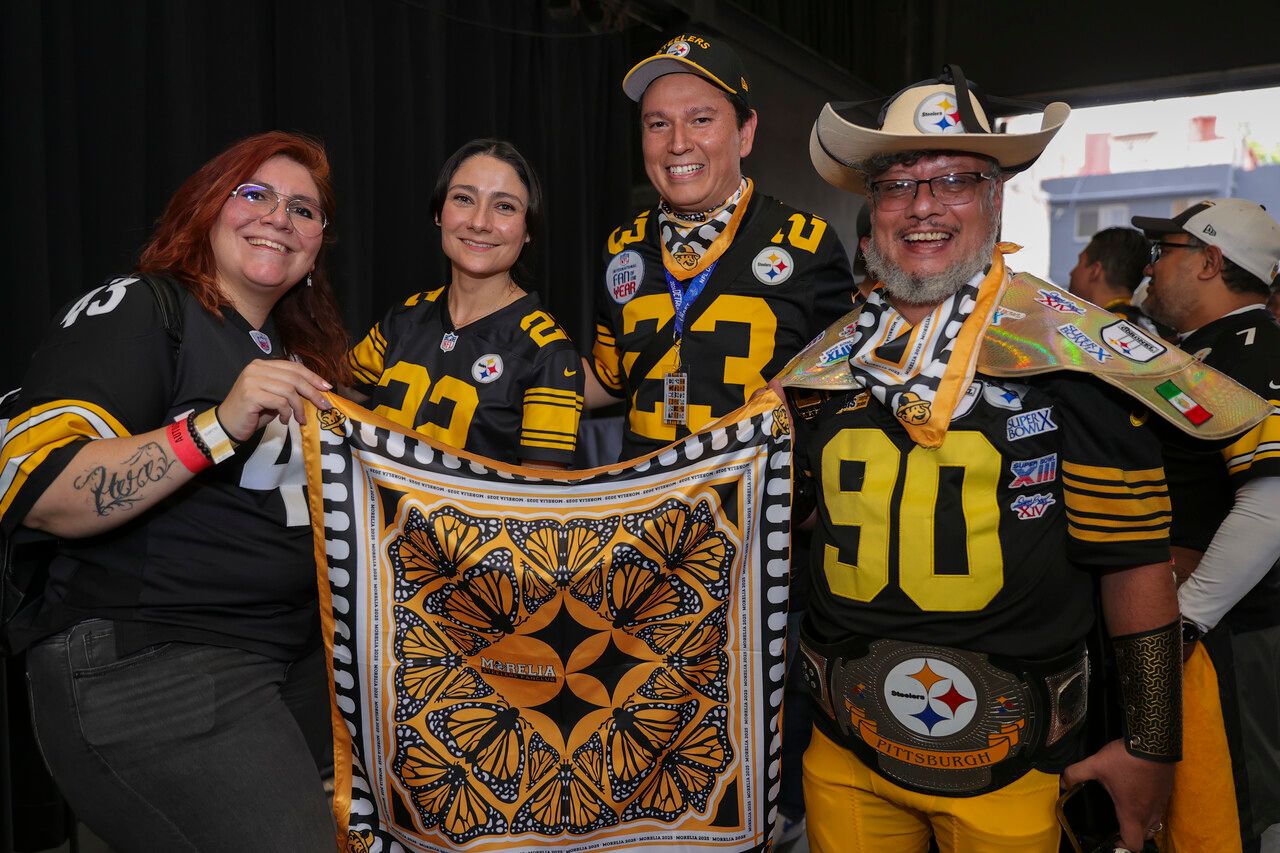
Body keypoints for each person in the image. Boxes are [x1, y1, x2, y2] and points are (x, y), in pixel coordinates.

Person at [794, 66, 1181, 852]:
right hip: (843, 749)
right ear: (871, 212)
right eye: (897, 183)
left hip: (1017, 769)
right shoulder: (818, 365)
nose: (924, 205)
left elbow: (1135, 562)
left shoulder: (1075, 353)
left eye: (955, 181)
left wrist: (1151, 744)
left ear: (996, 197)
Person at [1, 131, 346, 850]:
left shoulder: (296, 359)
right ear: (205, 209)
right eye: (254, 193)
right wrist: (216, 427)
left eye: (304, 210)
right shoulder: (140, 309)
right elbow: (37, 484)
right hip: (160, 661)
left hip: (280, 672)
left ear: (318, 246)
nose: (279, 217)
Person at [582, 27, 854, 462]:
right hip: (642, 509)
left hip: (753, 514)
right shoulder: (623, 247)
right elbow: (608, 376)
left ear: (745, 133)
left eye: (701, 119)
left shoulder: (808, 244)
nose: (678, 143)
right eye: (658, 124)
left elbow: (847, 392)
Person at [1133, 198, 1280, 851]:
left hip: (1230, 634)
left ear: (1211, 262)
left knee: (1231, 818)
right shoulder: (1201, 349)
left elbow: (1273, 498)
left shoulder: (1252, 349)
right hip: (1200, 629)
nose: (1152, 267)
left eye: (1166, 252)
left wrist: (1186, 618)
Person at [349, 139, 582, 466]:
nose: (479, 222)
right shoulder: (404, 318)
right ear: (438, 213)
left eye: (504, 206)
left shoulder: (548, 353)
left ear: (528, 229)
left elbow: (540, 500)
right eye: (463, 198)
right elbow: (331, 400)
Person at [1068, 225, 1169, 336]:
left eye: (1079, 262)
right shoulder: (1143, 327)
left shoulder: (1097, 331)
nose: (1071, 272)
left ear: (1095, 271)